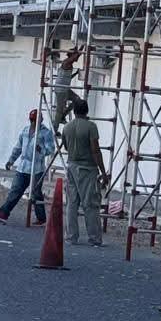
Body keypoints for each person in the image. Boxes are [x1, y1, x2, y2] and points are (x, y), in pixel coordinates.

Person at [0, 108, 55, 226]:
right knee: (15, 190)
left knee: (36, 193)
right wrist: (11, 160)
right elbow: (18, 147)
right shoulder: (25, 131)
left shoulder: (45, 133)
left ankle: (41, 218)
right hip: (23, 166)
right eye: (32, 120)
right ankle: (3, 213)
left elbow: (50, 149)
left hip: (36, 168)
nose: (33, 123)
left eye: (36, 120)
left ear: (40, 120)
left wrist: (41, 150)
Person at [62, 99, 108, 246]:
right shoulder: (91, 127)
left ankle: (71, 236)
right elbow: (95, 150)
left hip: (71, 166)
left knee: (71, 203)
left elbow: (66, 148)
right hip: (87, 168)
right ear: (87, 110)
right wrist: (103, 171)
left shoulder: (67, 127)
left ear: (74, 111)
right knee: (90, 204)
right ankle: (94, 237)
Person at [52, 47, 84, 128]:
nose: (77, 58)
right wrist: (83, 46)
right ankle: (54, 130)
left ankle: (63, 116)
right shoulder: (66, 62)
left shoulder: (69, 63)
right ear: (71, 55)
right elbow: (76, 56)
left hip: (65, 89)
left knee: (77, 100)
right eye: (74, 56)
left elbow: (67, 77)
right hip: (61, 90)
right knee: (59, 110)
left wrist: (82, 46)